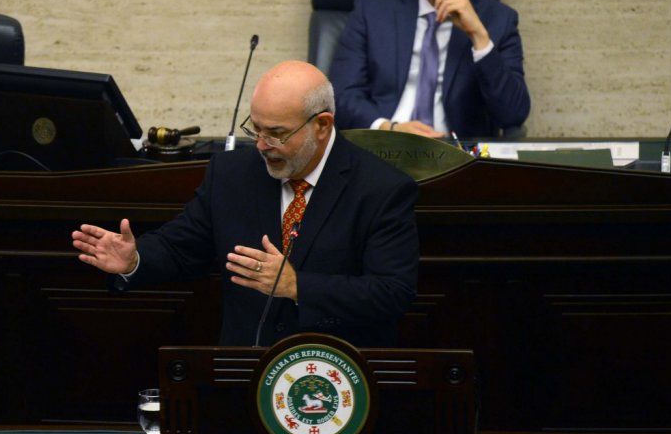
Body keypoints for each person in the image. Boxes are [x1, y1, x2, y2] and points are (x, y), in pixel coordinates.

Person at [72, 60, 418, 347]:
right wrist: (135, 259)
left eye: (277, 133)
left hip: (339, 377)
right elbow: (181, 248)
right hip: (245, 374)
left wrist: (298, 286)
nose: (262, 145)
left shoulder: (380, 188)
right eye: (256, 130)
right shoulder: (231, 174)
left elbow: (392, 292)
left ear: (322, 126)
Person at [330, 0, 530, 138]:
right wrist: (388, 128)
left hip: (456, 157)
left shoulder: (498, 19)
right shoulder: (372, 9)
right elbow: (342, 94)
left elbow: (513, 115)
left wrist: (478, 36)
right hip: (382, 147)